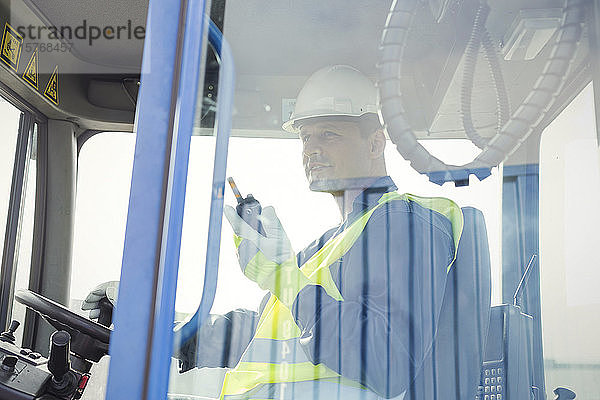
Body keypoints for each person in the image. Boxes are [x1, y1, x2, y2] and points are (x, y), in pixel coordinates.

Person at [83, 65, 463, 399]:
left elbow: (387, 359)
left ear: (376, 142)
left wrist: (284, 279)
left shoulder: (408, 221)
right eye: (305, 136)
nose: (311, 149)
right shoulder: (322, 248)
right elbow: (254, 337)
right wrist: (152, 319)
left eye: (328, 134)